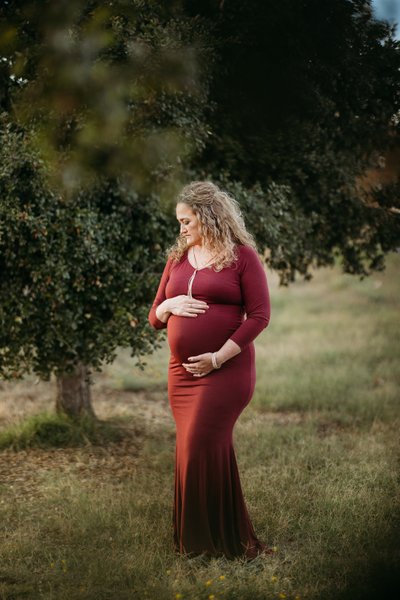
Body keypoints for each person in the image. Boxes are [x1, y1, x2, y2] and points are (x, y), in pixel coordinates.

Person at [148, 180, 273, 561]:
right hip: (181, 373)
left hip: (225, 371)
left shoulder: (242, 258)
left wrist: (218, 357)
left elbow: (260, 316)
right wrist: (170, 306)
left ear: (208, 216)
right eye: (179, 222)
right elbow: (153, 316)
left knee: (198, 445)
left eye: (187, 221)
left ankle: (204, 543)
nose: (181, 229)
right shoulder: (178, 258)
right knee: (198, 451)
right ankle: (214, 539)